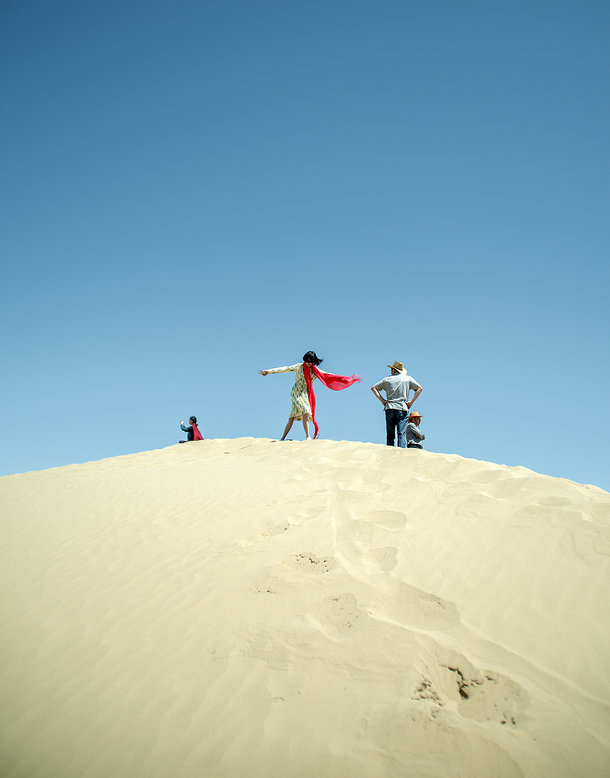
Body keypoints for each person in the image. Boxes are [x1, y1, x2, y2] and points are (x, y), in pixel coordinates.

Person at [259, 351, 360, 440]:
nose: (308, 363)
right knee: (306, 411)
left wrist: (346, 379)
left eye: (310, 361)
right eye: (307, 361)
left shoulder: (315, 371)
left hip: (305, 394)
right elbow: (285, 368)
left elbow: (328, 375)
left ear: (313, 361)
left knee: (292, 417)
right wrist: (269, 371)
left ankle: (282, 438)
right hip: (296, 393)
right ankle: (308, 436)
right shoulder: (298, 367)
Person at [371, 360, 422, 448]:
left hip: (389, 407)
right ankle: (400, 453)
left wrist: (383, 401)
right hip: (402, 408)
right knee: (401, 433)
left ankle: (389, 452)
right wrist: (411, 402)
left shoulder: (387, 379)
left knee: (390, 435)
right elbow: (419, 389)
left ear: (394, 370)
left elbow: (373, 388)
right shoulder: (407, 378)